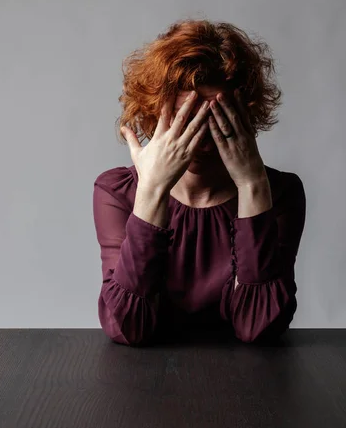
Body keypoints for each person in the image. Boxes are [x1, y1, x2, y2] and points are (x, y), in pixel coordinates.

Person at [93, 18, 306, 346]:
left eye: (216, 117)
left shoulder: (279, 194)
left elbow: (260, 326)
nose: (201, 138)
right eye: (185, 119)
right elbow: (128, 327)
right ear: (155, 114)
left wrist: (251, 184)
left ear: (244, 116)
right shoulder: (118, 193)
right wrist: (152, 190)